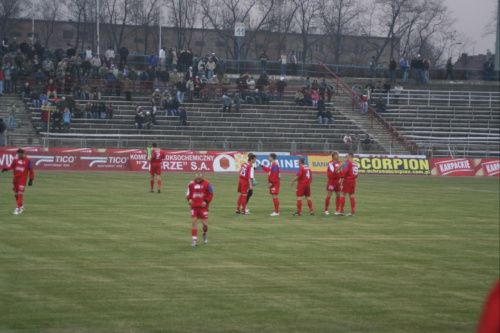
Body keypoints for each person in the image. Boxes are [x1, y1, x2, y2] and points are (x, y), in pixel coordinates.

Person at [2, 149, 35, 215]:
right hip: (15, 178)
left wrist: (31, 179)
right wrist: (6, 169)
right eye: (18, 155)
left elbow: (31, 170)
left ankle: (17, 209)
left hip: (22, 179)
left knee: (20, 193)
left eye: (20, 155)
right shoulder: (15, 159)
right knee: (16, 194)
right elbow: (11, 166)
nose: (19, 156)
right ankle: (22, 207)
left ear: (23, 154)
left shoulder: (28, 160)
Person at [186, 172, 214, 247]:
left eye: (200, 179)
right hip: (194, 206)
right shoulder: (191, 183)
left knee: (205, 224)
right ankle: (194, 241)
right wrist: (189, 199)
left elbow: (210, 194)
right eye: (197, 179)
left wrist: (206, 201)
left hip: (203, 207)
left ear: (203, 177)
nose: (198, 180)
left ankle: (204, 233)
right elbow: (188, 193)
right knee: (194, 222)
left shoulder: (207, 184)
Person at [339, 152, 359, 216]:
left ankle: (341, 211)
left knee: (343, 194)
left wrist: (341, 177)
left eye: (347, 156)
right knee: (351, 195)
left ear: (349, 156)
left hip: (348, 180)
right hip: (353, 180)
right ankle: (352, 211)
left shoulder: (348, 163)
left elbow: (345, 171)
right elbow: (356, 173)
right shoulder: (355, 163)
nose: (346, 157)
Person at [324, 151, 343, 216]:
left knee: (338, 195)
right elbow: (334, 171)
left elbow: (340, 172)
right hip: (331, 181)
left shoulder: (339, 162)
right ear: (334, 156)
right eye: (337, 155)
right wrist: (340, 166)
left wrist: (340, 179)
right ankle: (326, 210)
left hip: (337, 181)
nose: (338, 156)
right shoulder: (330, 163)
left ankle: (337, 210)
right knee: (329, 195)